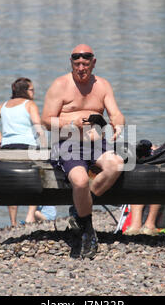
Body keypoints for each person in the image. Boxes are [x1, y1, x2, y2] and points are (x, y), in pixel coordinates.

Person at [41, 44, 125, 259]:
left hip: (96, 146)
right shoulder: (60, 85)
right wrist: (71, 120)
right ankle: (88, 231)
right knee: (79, 181)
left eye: (85, 64)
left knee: (117, 164)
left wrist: (118, 124)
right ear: (71, 63)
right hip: (67, 145)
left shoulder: (102, 85)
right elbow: (45, 120)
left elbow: (115, 113)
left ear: (93, 63)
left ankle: (79, 213)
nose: (81, 68)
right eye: (76, 64)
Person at [0, 77, 46, 227]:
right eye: (32, 89)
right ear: (25, 91)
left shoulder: (4, 106)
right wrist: (44, 146)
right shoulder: (29, 104)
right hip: (26, 147)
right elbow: (38, 126)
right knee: (33, 180)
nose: (34, 92)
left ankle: (12, 222)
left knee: (12, 184)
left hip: (7, 148)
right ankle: (30, 216)